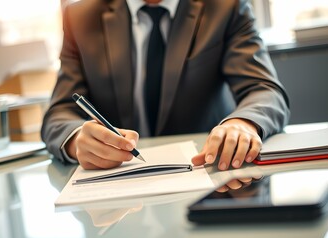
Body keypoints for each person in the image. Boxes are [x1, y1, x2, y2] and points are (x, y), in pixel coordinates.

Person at [41, 0, 290, 171]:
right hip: (119, 190)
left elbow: (264, 89)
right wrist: (77, 141)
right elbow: (59, 113)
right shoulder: (81, 17)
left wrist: (243, 123)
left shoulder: (226, 6)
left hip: (208, 174)